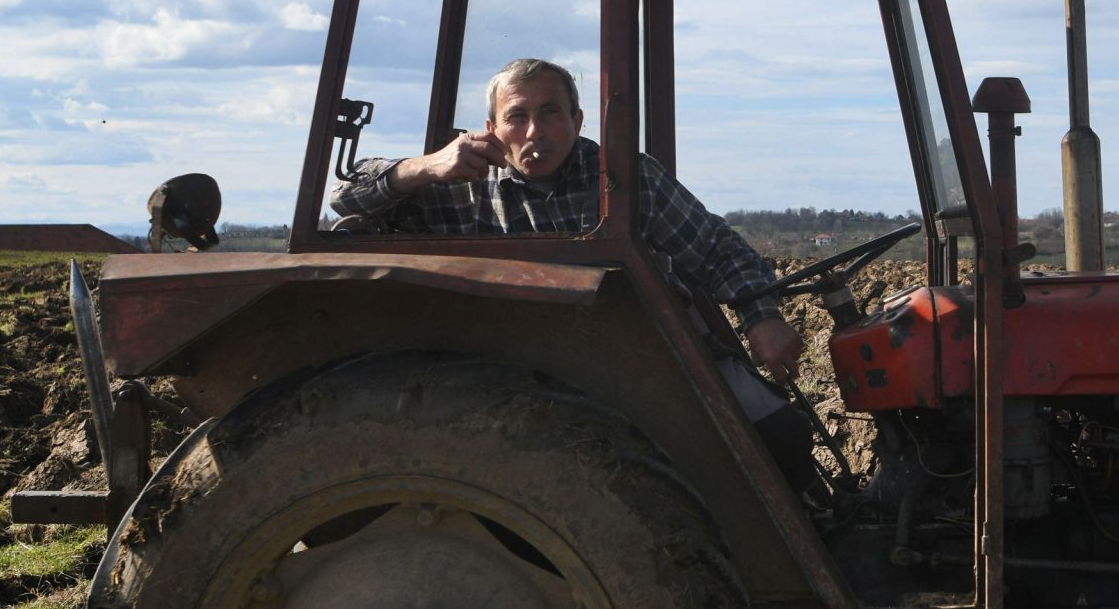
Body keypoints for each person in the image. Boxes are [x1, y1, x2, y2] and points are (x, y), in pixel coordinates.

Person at [330, 58, 817, 485]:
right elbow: (343, 205)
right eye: (516, 117)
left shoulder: (624, 178)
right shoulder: (461, 187)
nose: (534, 132)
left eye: (550, 113)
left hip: (653, 358)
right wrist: (422, 168)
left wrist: (761, 316)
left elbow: (711, 247)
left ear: (577, 120)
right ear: (491, 128)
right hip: (534, 378)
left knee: (780, 442)